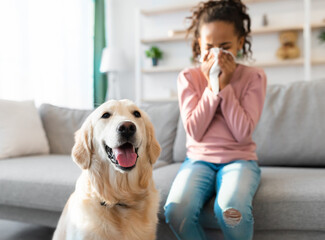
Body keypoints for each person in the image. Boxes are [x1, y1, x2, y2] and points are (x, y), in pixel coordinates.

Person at [164, 0, 267, 240]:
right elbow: (194, 131)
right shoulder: (188, 78)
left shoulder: (254, 77)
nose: (216, 53)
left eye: (225, 46)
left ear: (240, 43)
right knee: (176, 210)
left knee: (231, 210)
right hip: (198, 160)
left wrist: (226, 87)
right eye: (209, 46)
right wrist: (213, 88)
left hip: (239, 160)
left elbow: (243, 133)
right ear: (198, 45)